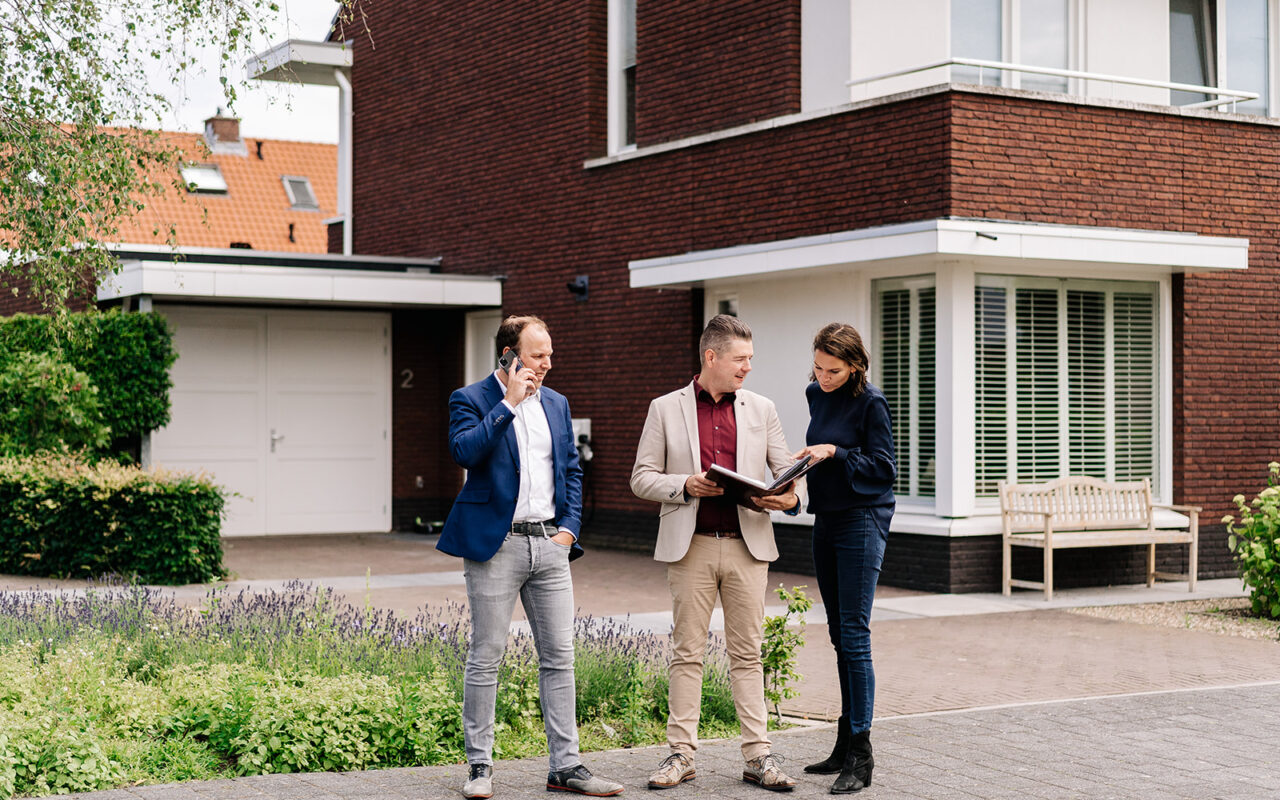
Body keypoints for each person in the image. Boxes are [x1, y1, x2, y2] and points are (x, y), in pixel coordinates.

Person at [437, 315, 623, 799]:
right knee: (487, 655)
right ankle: (480, 767)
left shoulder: (558, 404)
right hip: (495, 545)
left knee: (560, 657)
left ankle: (566, 767)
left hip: (549, 545)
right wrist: (509, 404)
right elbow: (465, 452)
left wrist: (570, 529)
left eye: (549, 355)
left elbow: (572, 471)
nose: (547, 364)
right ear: (509, 356)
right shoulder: (471, 399)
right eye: (537, 355)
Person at [631, 314, 802, 793]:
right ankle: (681, 755)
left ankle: (758, 758)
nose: (748, 367)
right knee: (687, 654)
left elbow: (786, 472)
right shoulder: (665, 408)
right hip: (692, 549)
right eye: (741, 359)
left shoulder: (761, 408)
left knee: (748, 655)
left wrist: (787, 496)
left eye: (750, 359)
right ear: (712, 357)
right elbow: (641, 477)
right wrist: (684, 484)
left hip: (749, 548)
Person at [791, 323, 896, 795]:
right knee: (837, 635)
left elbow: (885, 467)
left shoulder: (872, 402)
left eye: (833, 370)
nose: (823, 376)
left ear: (855, 366)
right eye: (817, 366)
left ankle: (861, 753)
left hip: (862, 520)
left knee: (854, 635)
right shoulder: (816, 393)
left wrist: (835, 451)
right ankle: (843, 741)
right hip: (828, 518)